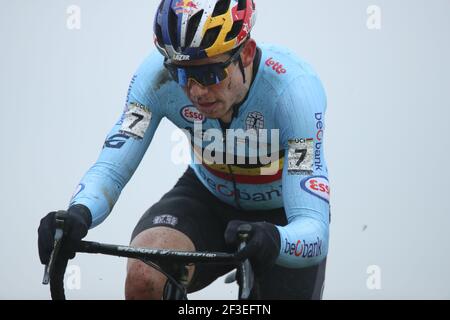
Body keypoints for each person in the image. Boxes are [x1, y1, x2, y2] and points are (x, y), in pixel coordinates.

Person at [38, 0, 330, 300]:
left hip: (280, 218)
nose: (196, 91)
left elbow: (314, 227)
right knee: (145, 274)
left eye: (210, 73)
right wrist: (78, 213)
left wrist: (277, 239)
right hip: (206, 198)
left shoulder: (293, 93)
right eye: (181, 74)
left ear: (246, 53)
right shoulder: (155, 77)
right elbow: (112, 167)